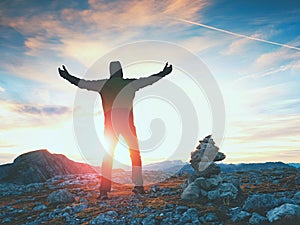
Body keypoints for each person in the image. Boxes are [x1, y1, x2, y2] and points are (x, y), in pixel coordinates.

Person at [58, 61, 173, 199]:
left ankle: (104, 192)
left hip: (110, 127)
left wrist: (66, 76)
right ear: (121, 71)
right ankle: (139, 187)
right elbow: (149, 80)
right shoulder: (129, 83)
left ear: (111, 72)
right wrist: (163, 73)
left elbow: (82, 83)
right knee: (135, 155)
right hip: (128, 126)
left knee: (108, 158)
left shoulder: (103, 84)